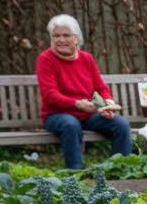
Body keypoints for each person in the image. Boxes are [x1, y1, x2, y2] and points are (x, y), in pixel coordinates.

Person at [36, 14, 132, 170]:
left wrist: (107, 104)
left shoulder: (86, 58)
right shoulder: (46, 59)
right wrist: (76, 104)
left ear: (76, 39)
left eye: (66, 35)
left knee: (121, 124)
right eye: (56, 36)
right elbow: (50, 95)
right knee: (71, 125)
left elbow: (100, 88)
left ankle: (121, 171)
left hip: (87, 114)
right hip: (57, 115)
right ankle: (75, 175)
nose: (60, 40)